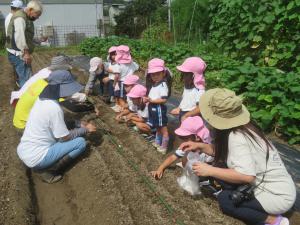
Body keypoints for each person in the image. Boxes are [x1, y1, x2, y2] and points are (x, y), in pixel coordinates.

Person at [180, 88, 296, 225]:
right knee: (220, 167)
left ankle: (274, 220)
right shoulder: (245, 128)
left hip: (276, 196)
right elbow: (227, 154)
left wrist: (209, 170)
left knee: (225, 200)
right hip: (278, 187)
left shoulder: (237, 137)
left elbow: (247, 176)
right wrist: (201, 146)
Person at [17, 70, 97, 184]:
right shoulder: (54, 108)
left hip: (25, 150)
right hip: (37, 158)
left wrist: (78, 123)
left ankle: (44, 165)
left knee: (67, 136)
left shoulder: (42, 100)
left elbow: (57, 123)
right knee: (80, 142)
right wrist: (85, 129)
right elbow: (64, 138)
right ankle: (49, 170)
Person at [12, 56, 73, 130]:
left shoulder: (44, 79)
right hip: (25, 126)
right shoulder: (49, 88)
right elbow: (65, 104)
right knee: (57, 113)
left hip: (20, 118)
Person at [6, 0, 43, 87]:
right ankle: (25, 98)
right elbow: (19, 37)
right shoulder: (20, 18)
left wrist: (38, 40)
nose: (37, 17)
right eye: (37, 14)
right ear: (30, 9)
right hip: (19, 54)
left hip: (19, 53)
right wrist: (26, 53)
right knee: (27, 81)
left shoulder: (24, 16)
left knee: (25, 78)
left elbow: (25, 35)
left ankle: (23, 96)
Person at [144, 58, 172, 154]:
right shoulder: (154, 84)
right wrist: (147, 99)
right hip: (153, 108)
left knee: (163, 128)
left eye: (157, 74)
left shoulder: (163, 85)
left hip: (158, 109)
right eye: (152, 74)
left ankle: (164, 147)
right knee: (157, 127)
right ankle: (157, 142)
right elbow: (152, 96)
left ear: (163, 73)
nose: (155, 76)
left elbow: (164, 99)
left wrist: (152, 100)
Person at [170, 57, 206, 122]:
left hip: (192, 117)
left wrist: (187, 115)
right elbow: (185, 99)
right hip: (183, 114)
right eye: (183, 74)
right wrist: (179, 108)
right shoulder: (187, 86)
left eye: (186, 75)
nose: (183, 77)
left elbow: (200, 108)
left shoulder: (199, 90)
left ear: (194, 75)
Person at [112, 45, 139, 112]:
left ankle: (123, 109)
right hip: (132, 83)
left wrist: (114, 83)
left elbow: (117, 76)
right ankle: (125, 108)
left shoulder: (118, 65)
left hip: (123, 82)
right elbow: (137, 68)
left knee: (121, 97)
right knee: (129, 97)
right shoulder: (132, 63)